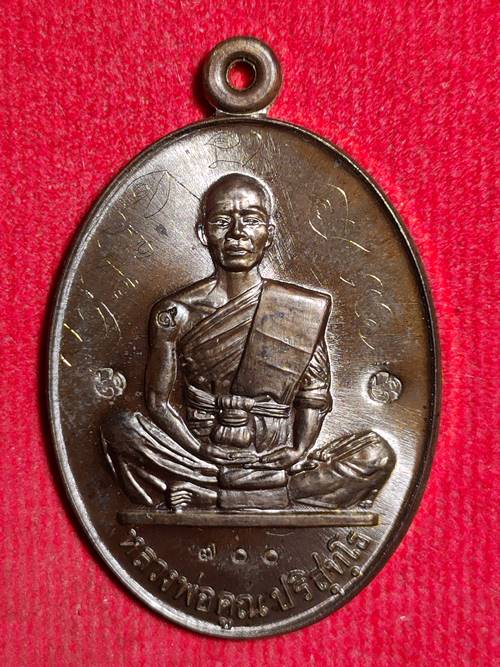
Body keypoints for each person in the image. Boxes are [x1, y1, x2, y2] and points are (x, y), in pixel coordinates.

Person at [101, 173, 395, 511]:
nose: (236, 233)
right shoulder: (176, 312)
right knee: (119, 428)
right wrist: (200, 450)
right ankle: (267, 493)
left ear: (269, 234)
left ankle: (215, 496)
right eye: (222, 221)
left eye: (251, 220)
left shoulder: (300, 308)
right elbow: (158, 402)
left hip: (275, 458)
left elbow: (314, 393)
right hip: (201, 456)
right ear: (204, 233)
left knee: (376, 453)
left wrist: (299, 449)